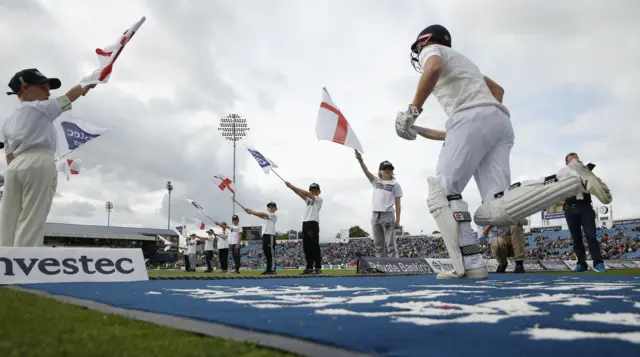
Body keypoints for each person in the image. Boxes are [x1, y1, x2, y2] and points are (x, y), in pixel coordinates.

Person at [395, 24, 612, 279]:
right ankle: (570, 178)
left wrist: (411, 112)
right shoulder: (467, 65)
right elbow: (497, 92)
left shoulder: (432, 51)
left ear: (426, 40)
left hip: (470, 118)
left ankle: (466, 264)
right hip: (497, 122)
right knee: (495, 208)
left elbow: (432, 68)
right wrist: (419, 128)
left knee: (441, 193)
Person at [1, 68, 95, 247]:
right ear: (25, 87)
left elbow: (9, 157)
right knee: (32, 218)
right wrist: (90, 81)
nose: (48, 92)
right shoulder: (40, 108)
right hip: (39, 160)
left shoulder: (7, 121)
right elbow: (70, 96)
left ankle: (4, 265)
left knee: (8, 220)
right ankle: (25, 266)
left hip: (14, 167)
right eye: (43, 87)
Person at [561, 153, 606, 273]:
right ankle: (581, 264)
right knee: (576, 238)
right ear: (566, 163)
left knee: (591, 236)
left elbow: (595, 185)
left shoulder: (586, 172)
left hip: (585, 207)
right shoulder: (562, 173)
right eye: (571, 161)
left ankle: (598, 263)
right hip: (570, 208)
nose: (574, 163)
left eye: (576, 160)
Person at [354, 150, 403, 258]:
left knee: (391, 244)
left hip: (388, 215)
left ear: (392, 172)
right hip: (375, 215)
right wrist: (360, 160)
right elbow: (366, 172)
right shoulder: (376, 182)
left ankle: (395, 267)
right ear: (380, 172)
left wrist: (398, 220)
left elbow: (398, 204)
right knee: (378, 245)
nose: (387, 170)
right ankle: (380, 266)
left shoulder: (395, 185)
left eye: (389, 169)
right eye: (384, 169)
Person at [285, 181, 323, 275]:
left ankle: (317, 267)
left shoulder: (318, 199)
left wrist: (293, 185)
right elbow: (300, 193)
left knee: (314, 246)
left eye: (315, 190)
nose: (313, 192)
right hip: (305, 223)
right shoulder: (308, 200)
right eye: (312, 190)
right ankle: (309, 267)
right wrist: (291, 187)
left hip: (312, 222)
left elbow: (305, 193)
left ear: (319, 192)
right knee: (306, 247)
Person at [245, 202, 278, 275]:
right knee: (266, 253)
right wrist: (251, 213)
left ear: (275, 208)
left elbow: (262, 214)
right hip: (265, 235)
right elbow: (260, 215)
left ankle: (272, 269)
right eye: (269, 207)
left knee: (271, 253)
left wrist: (252, 211)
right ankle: (268, 269)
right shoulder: (267, 217)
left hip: (270, 235)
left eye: (272, 207)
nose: (270, 208)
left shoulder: (273, 215)